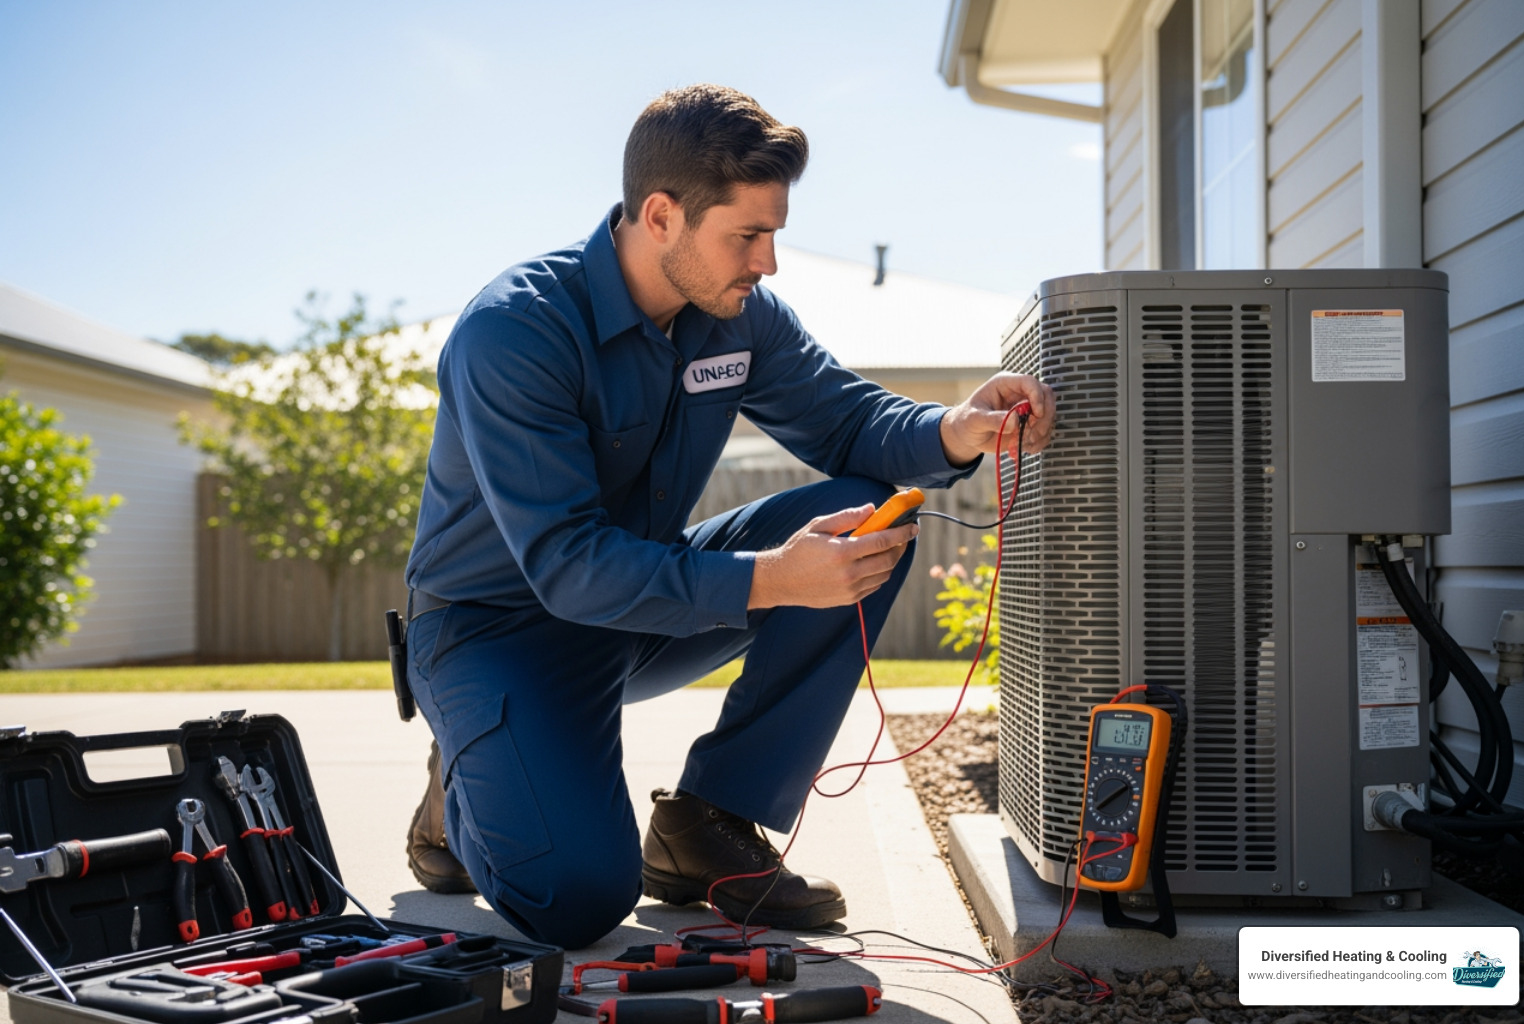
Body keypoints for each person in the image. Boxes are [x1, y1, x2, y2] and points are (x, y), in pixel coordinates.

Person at [402, 83, 1055, 950]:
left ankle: (709, 823)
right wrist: (775, 578)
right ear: (662, 215)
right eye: (747, 236)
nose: (768, 262)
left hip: (640, 606)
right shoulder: (515, 333)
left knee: (861, 523)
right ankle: (466, 767)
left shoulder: (736, 319)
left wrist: (955, 428)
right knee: (577, 898)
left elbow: (850, 422)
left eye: (773, 234)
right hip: (496, 630)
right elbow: (564, 564)